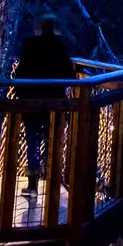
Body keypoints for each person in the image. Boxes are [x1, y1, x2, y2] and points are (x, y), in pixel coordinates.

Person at [13, 14, 75, 188]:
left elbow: (21, 72)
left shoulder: (30, 45)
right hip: (54, 103)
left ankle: (32, 183)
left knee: (32, 143)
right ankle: (52, 180)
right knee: (52, 141)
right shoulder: (61, 47)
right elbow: (69, 75)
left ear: (39, 28)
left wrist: (21, 94)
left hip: (31, 102)